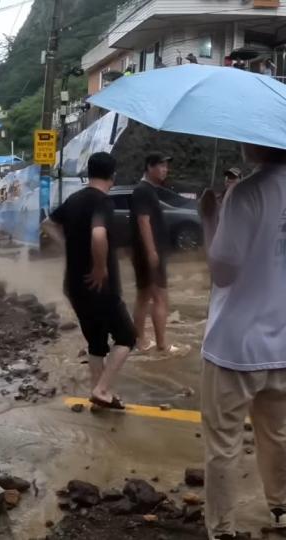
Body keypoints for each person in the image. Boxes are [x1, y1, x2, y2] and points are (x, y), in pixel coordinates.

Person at [197, 143, 286, 539]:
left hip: (234, 347)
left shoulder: (245, 194)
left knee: (223, 442)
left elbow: (222, 271)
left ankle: (222, 528)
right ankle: (282, 509)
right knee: (280, 434)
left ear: (257, 144)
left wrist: (208, 220)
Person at [41, 152, 135, 409]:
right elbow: (98, 235)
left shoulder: (74, 199)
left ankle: (99, 397)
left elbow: (48, 224)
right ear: (112, 175)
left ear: (89, 172)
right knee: (127, 337)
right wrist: (99, 267)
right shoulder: (102, 202)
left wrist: (69, 246)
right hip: (99, 285)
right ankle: (102, 388)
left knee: (96, 342)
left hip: (73, 285)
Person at [130, 153, 177, 354]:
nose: (165, 170)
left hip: (145, 252)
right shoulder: (144, 191)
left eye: (166, 166)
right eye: (161, 166)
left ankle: (140, 341)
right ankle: (161, 345)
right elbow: (143, 221)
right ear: (149, 167)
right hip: (149, 252)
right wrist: (151, 251)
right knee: (160, 298)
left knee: (144, 296)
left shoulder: (147, 190)